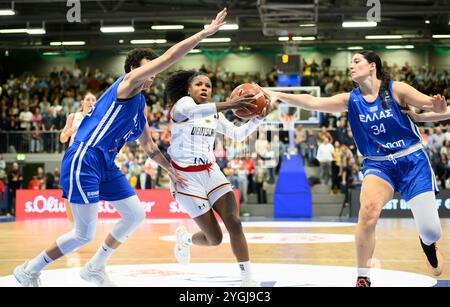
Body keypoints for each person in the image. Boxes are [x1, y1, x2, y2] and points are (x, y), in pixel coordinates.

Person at [13, 8, 228, 287]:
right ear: (132, 70)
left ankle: (95, 267)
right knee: (83, 233)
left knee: (135, 214)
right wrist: (204, 33)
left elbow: (150, 148)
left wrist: (172, 170)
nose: (151, 76)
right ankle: (29, 269)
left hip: (106, 164)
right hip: (85, 156)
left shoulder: (140, 107)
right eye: (146, 69)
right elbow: (169, 58)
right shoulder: (126, 86)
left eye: (152, 72)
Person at [262, 50, 447, 287]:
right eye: (350, 63)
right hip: (378, 164)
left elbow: (432, 106)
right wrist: (278, 94)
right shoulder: (350, 100)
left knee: (431, 231)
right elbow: (314, 102)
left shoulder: (396, 89)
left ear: (372, 67)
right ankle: (363, 276)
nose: (351, 66)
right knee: (367, 212)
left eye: (356, 61)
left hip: (412, 160)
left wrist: (438, 106)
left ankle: (428, 244)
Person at [164, 70, 269, 287]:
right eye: (198, 84)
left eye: (208, 85)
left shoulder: (214, 114)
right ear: (188, 89)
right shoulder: (182, 106)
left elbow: (238, 135)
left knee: (235, 221)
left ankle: (247, 279)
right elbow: (195, 111)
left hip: (211, 172)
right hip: (185, 179)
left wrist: (257, 119)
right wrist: (231, 104)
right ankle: (185, 239)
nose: (204, 88)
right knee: (215, 239)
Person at [59, 91, 97, 225]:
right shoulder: (73, 116)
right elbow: (62, 138)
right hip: (72, 157)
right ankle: (72, 226)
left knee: (89, 192)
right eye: (88, 99)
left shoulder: (98, 118)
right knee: (68, 193)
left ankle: (84, 224)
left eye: (93, 99)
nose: (91, 102)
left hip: (89, 159)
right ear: (82, 102)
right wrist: (67, 133)